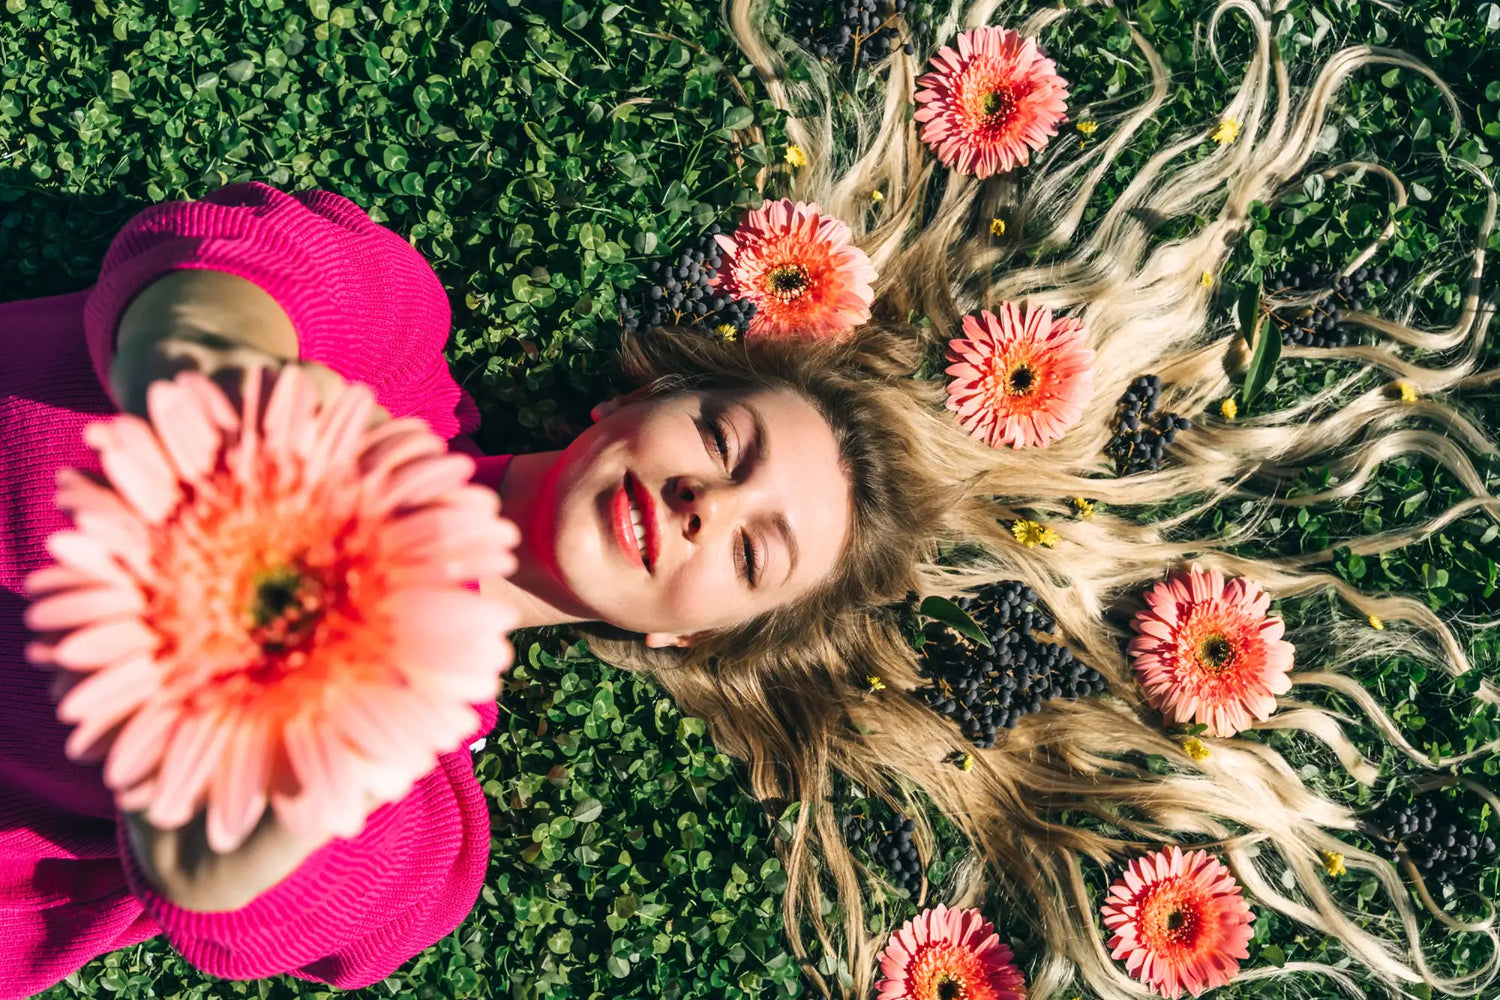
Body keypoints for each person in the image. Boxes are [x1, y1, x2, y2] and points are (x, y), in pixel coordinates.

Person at [0, 6, 1496, 1000]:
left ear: (712, 641)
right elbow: (202, 279)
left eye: (752, 548)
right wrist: (239, 412)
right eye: (720, 435)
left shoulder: (425, 831)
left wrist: (307, 703)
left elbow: (214, 887)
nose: (703, 499)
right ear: (625, 405)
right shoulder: (381, 343)